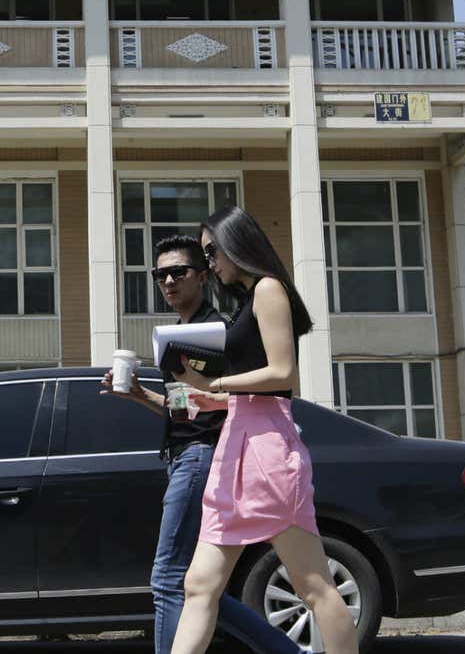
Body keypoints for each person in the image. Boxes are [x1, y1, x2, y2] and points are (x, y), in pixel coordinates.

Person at [170, 207, 359, 654]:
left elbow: (282, 372)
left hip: (267, 449)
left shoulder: (269, 289)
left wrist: (212, 383)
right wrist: (203, 396)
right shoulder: (244, 303)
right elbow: (248, 387)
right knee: (198, 584)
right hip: (236, 446)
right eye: (205, 253)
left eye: (212, 251)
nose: (209, 262)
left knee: (313, 586)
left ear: (238, 242)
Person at [104, 236, 303, 654]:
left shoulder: (216, 332)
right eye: (161, 275)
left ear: (203, 274)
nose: (169, 281)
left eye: (180, 272)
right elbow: (188, 408)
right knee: (201, 588)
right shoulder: (179, 335)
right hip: (186, 457)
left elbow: (220, 404)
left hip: (202, 458)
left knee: (169, 579)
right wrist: (139, 395)